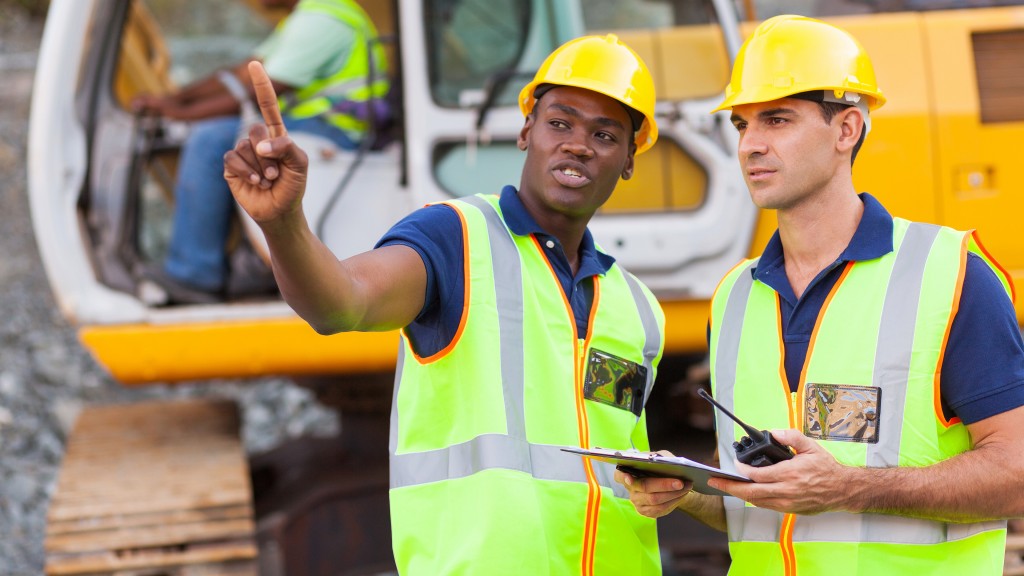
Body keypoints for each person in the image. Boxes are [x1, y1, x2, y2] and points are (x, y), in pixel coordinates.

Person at [225, 35, 668, 574]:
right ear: (527, 131)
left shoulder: (640, 310)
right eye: (560, 123)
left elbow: (621, 475)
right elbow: (342, 303)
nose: (578, 144)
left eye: (605, 135)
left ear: (628, 161)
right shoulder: (455, 239)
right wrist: (283, 222)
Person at [615, 14, 1024, 575]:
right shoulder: (734, 298)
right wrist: (687, 490)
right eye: (741, 125)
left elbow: (1017, 475)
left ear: (847, 130)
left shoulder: (950, 276)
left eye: (777, 120)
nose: (751, 145)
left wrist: (847, 487)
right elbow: (760, 504)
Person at [136, 0, 388, 304]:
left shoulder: (324, 20)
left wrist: (181, 115)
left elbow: (260, 91)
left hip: (335, 129)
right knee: (219, 134)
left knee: (211, 138)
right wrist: (175, 101)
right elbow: (241, 74)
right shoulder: (306, 17)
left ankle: (194, 274)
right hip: (311, 122)